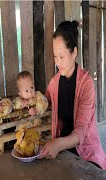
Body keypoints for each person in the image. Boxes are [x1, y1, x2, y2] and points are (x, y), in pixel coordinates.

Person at [39, 20, 106, 170]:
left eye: (61, 56)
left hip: (85, 149)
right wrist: (33, 104)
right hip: (62, 147)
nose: (57, 62)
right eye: (55, 57)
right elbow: (42, 101)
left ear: (74, 52)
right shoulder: (55, 82)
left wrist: (58, 144)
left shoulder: (86, 84)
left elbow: (81, 132)